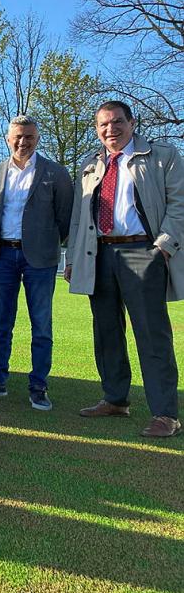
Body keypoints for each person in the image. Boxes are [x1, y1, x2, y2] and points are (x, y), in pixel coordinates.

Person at [66, 101, 182, 438]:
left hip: (142, 251)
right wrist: (73, 258)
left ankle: (165, 415)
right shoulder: (89, 163)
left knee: (152, 334)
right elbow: (78, 216)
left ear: (132, 123)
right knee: (106, 332)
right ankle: (115, 399)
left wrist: (162, 246)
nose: (110, 130)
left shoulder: (163, 155)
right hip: (98, 254)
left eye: (117, 122)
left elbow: (180, 203)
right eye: (103, 125)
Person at [0, 115, 72, 408]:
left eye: (29, 136)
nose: (22, 142)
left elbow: (65, 217)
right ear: (7, 139)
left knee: (41, 325)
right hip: (2, 256)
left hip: (40, 260)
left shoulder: (55, 173)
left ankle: (38, 385)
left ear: (37, 138)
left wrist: (45, 241)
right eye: (17, 136)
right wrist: (3, 239)